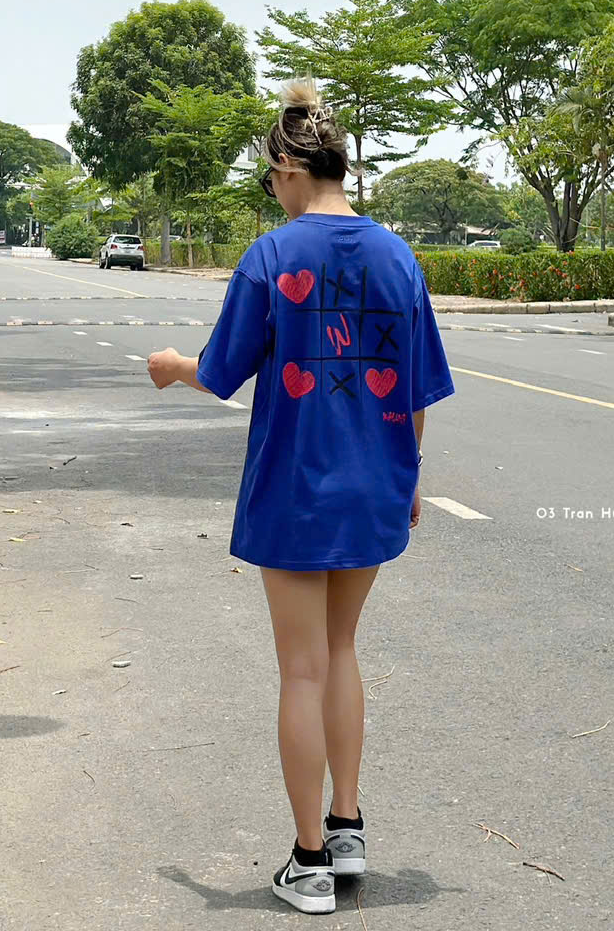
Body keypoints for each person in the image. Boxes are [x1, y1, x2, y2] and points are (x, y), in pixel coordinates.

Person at [147, 78, 454, 914]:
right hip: (374, 484)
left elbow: (220, 372)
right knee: (342, 651)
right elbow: (417, 390)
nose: (271, 193)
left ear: (289, 167)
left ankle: (309, 862)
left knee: (301, 669)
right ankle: (347, 829)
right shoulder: (397, 257)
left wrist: (171, 365)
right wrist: (408, 475)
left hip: (294, 488)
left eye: (269, 178)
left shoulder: (272, 257)